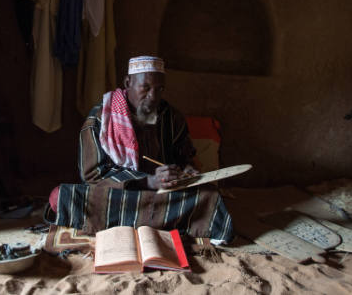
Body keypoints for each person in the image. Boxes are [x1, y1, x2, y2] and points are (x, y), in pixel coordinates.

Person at [48, 56, 233, 244]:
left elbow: (184, 157)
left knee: (209, 194)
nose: (153, 96)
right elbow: (92, 175)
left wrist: (187, 171)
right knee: (63, 196)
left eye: (159, 89)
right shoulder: (100, 120)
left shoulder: (172, 118)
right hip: (123, 195)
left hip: (166, 194)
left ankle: (138, 221)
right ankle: (169, 221)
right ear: (128, 83)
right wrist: (148, 181)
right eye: (145, 88)